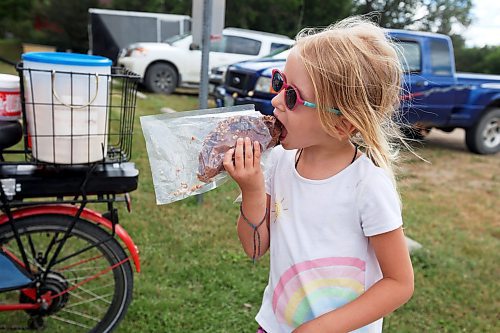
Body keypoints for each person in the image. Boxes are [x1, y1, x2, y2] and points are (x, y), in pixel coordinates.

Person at [223, 16, 414, 333]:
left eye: (293, 96)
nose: (275, 101)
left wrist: (318, 328)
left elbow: (399, 283)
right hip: (275, 326)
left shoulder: (367, 186)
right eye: (279, 83)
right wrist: (253, 191)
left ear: (342, 124)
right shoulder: (280, 161)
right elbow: (254, 248)